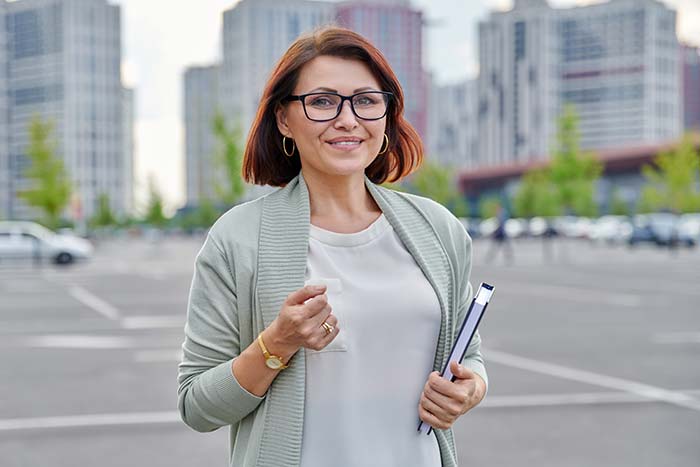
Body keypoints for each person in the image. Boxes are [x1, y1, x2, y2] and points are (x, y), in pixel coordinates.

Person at [177, 26, 488, 467]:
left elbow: (469, 356)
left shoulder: (438, 229)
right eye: (322, 101)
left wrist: (470, 389)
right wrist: (276, 344)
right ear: (284, 118)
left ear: (386, 115)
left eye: (366, 100)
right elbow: (197, 407)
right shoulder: (238, 238)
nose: (348, 119)